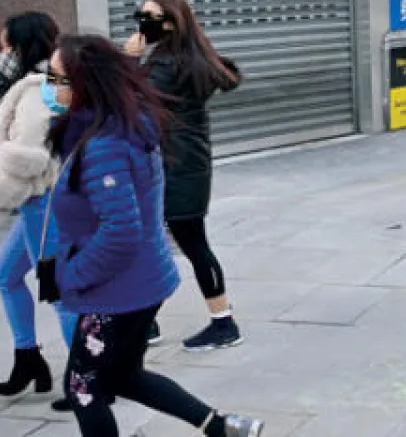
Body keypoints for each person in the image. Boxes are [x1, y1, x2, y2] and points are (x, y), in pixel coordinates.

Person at [44, 36, 263, 437]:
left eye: (56, 77)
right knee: (126, 377)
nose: (49, 86)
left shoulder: (105, 144)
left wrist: (72, 275)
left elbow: (122, 230)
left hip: (115, 290)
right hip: (142, 280)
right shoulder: (122, 124)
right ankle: (224, 428)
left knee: (83, 390)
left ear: (84, 83)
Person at [0, 12, 78, 406]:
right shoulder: (52, 82)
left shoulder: (35, 91)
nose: (0, 53)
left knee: (59, 292)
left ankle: (87, 380)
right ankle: (28, 360)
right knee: (5, 275)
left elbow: (25, 160)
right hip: (42, 202)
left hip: (41, 203)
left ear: (23, 47)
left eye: (5, 46)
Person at [125, 0, 242, 351]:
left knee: (186, 243)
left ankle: (223, 324)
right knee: (167, 242)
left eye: (152, 16)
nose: (143, 23)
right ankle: (148, 322)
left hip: (178, 168)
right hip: (185, 163)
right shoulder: (186, 57)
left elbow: (131, 99)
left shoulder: (167, 65)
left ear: (174, 23)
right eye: (140, 14)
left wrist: (129, 60)